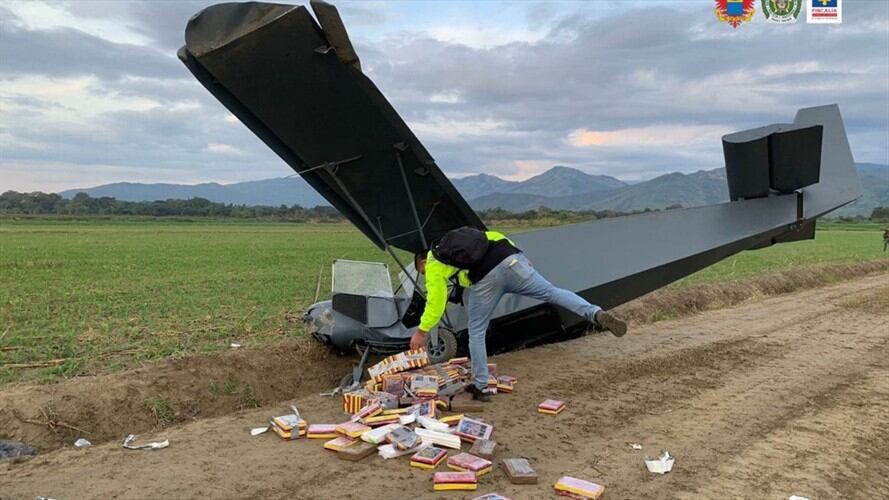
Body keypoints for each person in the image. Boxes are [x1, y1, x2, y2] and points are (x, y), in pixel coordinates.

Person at [410, 227, 628, 402]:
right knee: (551, 292)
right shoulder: (466, 238)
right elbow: (496, 236)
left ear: (423, 261)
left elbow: (436, 302)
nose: (425, 274)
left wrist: (421, 332)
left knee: (476, 331)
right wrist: (520, 256)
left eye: (422, 271)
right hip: (513, 261)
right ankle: (595, 313)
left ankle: (481, 386)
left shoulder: (434, 262)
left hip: (486, 279)